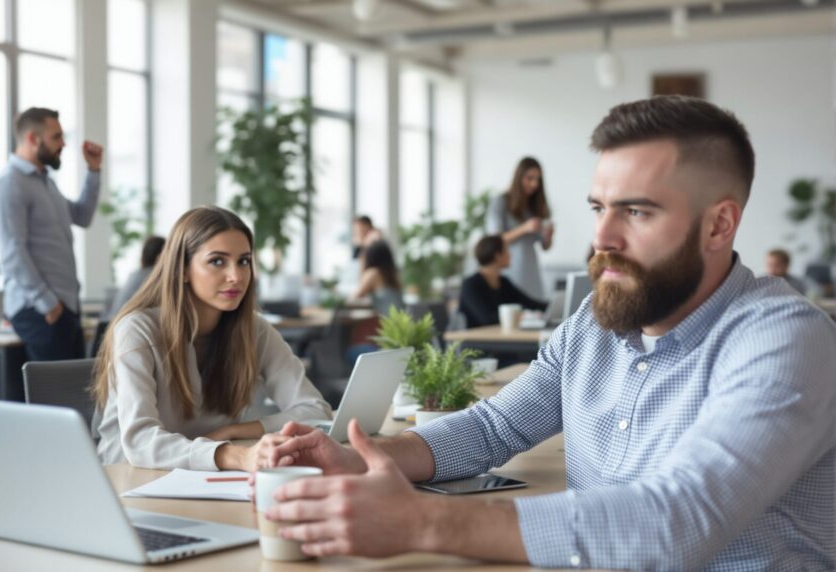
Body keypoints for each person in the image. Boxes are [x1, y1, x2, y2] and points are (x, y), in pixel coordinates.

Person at [258, 96, 836, 569]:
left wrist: (420, 522)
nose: (602, 237)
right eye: (599, 208)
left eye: (636, 212)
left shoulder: (785, 339)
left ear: (719, 224)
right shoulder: (593, 325)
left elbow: (676, 523)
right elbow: (492, 428)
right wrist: (357, 459)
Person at [91, 206, 332, 472]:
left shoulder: (253, 329)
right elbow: (140, 442)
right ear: (182, 269)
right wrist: (235, 456)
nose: (236, 276)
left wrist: (237, 430)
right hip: (129, 477)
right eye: (217, 261)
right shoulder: (137, 329)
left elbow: (316, 410)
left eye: (243, 261)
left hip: (204, 477)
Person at [0, 107, 104, 361]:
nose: (63, 144)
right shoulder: (9, 184)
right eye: (56, 137)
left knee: (74, 385)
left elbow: (82, 216)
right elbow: (12, 253)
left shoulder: (46, 183)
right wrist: (48, 303)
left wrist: (94, 171)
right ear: (33, 138)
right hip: (40, 311)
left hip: (64, 308)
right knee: (55, 387)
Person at [486, 156, 554, 301]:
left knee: (536, 307)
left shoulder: (534, 207)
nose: (534, 184)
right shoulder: (500, 202)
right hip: (509, 270)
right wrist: (524, 228)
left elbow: (545, 247)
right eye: (530, 178)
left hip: (531, 271)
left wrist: (548, 236)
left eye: (538, 179)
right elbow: (494, 240)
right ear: (519, 177)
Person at [458, 235, 546, 328]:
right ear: (497, 256)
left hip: (500, 334)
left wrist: (553, 305)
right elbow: (486, 318)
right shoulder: (470, 285)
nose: (510, 255)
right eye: (506, 250)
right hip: (475, 336)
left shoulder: (504, 282)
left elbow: (529, 303)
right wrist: (522, 315)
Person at [106, 235, 166, 319]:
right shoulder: (154, 277)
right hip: (124, 323)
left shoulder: (134, 275)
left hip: (111, 322)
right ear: (161, 256)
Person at [349, 240, 404, 315]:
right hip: (400, 320)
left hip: (385, 320)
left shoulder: (373, 273)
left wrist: (362, 264)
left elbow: (355, 297)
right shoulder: (394, 274)